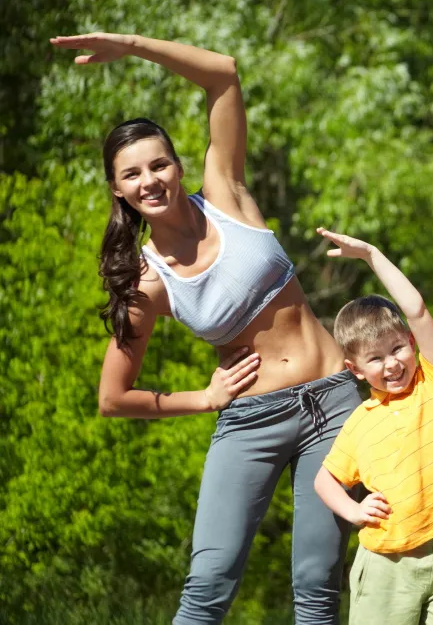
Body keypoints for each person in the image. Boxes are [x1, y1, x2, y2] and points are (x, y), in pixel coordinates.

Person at [50, 32, 361, 624]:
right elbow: (114, 397)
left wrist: (130, 46)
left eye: (159, 163)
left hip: (336, 401)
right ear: (118, 189)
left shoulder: (226, 192)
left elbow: (223, 74)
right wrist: (205, 398)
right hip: (251, 419)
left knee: (318, 583)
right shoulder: (147, 283)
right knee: (208, 584)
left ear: (178, 164)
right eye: (133, 174)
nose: (150, 180)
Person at [311, 227, 433, 625]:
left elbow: (418, 310)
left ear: (412, 343)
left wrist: (372, 255)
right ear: (355, 370)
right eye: (375, 359)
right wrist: (354, 511)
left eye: (397, 349)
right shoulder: (361, 422)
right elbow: (324, 480)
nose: (391, 364)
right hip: (385, 564)